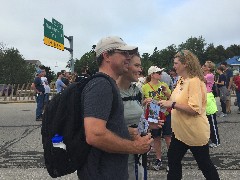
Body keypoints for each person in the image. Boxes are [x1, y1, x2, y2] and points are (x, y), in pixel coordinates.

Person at [77, 36, 153, 180]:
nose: (128, 57)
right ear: (106, 56)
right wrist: (135, 147)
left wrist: (129, 132)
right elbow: (95, 135)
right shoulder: (101, 85)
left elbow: (108, 127)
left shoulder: (108, 85)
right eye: (123, 53)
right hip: (104, 172)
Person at [159, 50, 219, 179]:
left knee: (205, 164)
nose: (174, 66)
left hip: (194, 132)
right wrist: (167, 96)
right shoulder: (182, 80)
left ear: (185, 64)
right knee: (173, 160)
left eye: (176, 63)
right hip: (180, 132)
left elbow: (194, 109)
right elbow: (178, 100)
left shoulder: (195, 82)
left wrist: (172, 104)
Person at [142, 66, 172, 171]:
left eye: (161, 72)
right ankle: (158, 159)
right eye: (158, 72)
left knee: (168, 137)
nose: (160, 74)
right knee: (156, 137)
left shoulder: (163, 85)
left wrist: (165, 92)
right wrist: (145, 101)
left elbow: (171, 98)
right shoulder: (145, 87)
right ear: (152, 74)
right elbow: (141, 102)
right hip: (153, 114)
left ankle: (171, 160)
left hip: (165, 113)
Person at [202, 61, 220, 148]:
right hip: (204, 97)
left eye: (205, 65)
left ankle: (216, 141)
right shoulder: (204, 75)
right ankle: (209, 139)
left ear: (209, 68)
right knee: (206, 123)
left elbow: (201, 79)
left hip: (208, 98)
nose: (203, 66)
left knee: (212, 123)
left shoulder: (210, 75)